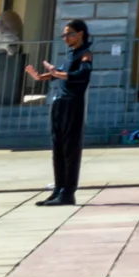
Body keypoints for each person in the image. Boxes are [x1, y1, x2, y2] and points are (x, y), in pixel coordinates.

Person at [24, 18, 91, 205]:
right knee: (58, 149)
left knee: (70, 150)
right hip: (60, 105)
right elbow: (58, 73)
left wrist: (56, 73)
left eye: (69, 34)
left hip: (73, 105)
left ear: (80, 34)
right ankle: (58, 189)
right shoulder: (71, 55)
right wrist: (39, 76)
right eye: (64, 35)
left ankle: (68, 193)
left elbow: (82, 75)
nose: (66, 38)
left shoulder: (86, 55)